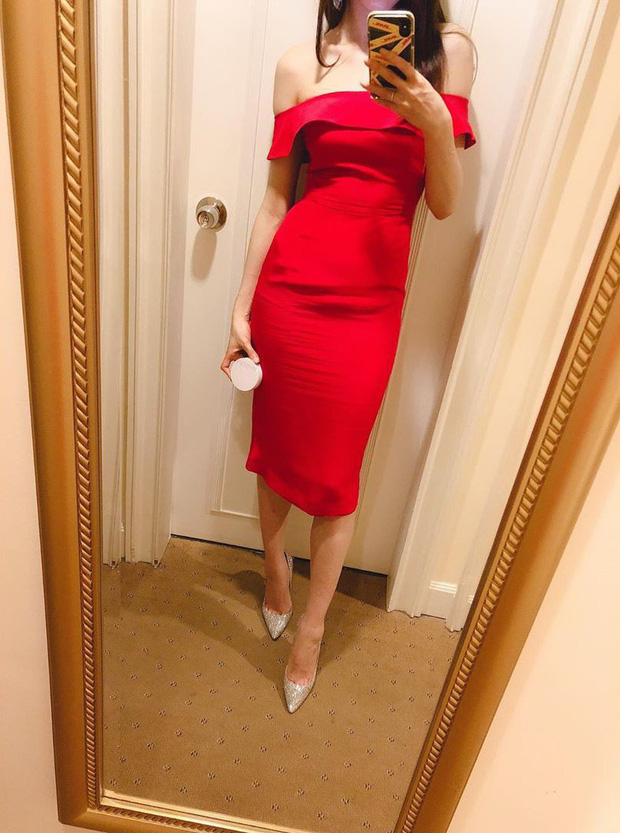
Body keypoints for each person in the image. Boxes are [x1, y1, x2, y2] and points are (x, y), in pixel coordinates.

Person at [220, 0, 477, 713]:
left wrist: (433, 121)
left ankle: (312, 627)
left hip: (368, 305)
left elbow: (444, 205)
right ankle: (276, 575)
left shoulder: (448, 52)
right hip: (289, 291)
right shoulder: (301, 64)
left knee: (337, 477)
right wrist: (241, 305)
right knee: (274, 450)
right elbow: (277, 201)